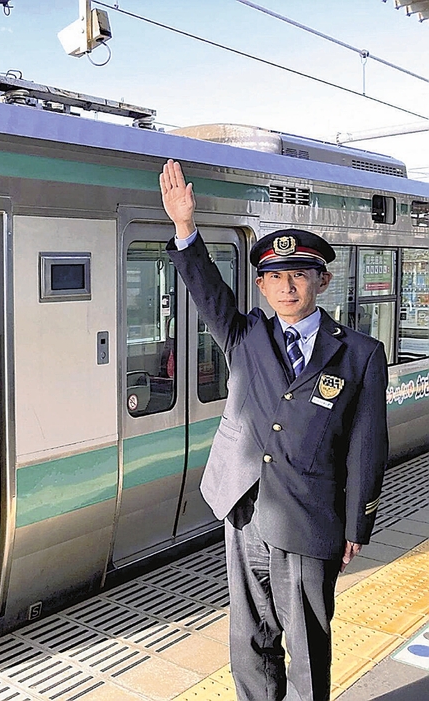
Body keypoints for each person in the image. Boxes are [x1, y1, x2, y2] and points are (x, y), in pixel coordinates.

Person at [159, 159, 388, 701]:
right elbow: (207, 290)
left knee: (307, 645)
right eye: (274, 277)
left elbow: (367, 446)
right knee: (249, 641)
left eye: (299, 275)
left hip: (311, 517)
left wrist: (357, 521)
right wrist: (184, 230)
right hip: (244, 511)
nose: (287, 287)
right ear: (261, 285)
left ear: (321, 281)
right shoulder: (246, 337)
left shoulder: (359, 354)